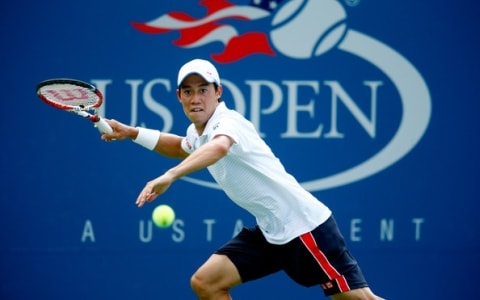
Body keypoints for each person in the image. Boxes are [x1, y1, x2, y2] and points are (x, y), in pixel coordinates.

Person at [101, 59, 383, 300]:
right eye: (188, 91)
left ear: (218, 92)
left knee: (357, 298)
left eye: (203, 90)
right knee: (206, 282)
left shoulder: (228, 122)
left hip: (304, 227)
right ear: (179, 96)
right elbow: (180, 146)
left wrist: (170, 176)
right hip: (271, 232)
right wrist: (131, 132)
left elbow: (220, 146)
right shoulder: (198, 131)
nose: (196, 98)